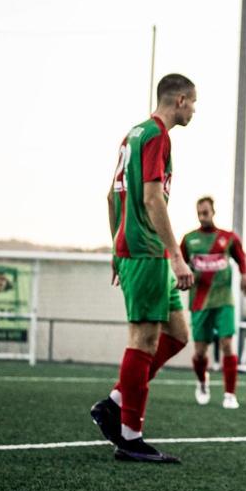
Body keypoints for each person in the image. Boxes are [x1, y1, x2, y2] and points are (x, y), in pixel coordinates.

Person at [89, 73, 197, 464]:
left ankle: (116, 401)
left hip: (135, 247)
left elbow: (110, 196)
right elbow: (153, 199)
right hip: (148, 250)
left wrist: (116, 246)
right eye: (194, 103)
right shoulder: (156, 135)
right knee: (144, 340)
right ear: (180, 100)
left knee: (178, 334)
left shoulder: (131, 135)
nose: (194, 111)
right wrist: (175, 255)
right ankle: (130, 437)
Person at [181, 196, 246, 409]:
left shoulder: (227, 238)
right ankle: (202, 382)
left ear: (213, 212)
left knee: (227, 344)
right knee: (200, 351)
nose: (203, 217)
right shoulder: (188, 240)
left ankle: (230, 394)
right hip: (199, 301)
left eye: (206, 212)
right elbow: (178, 263)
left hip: (223, 300)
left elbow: (241, 258)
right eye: (200, 213)